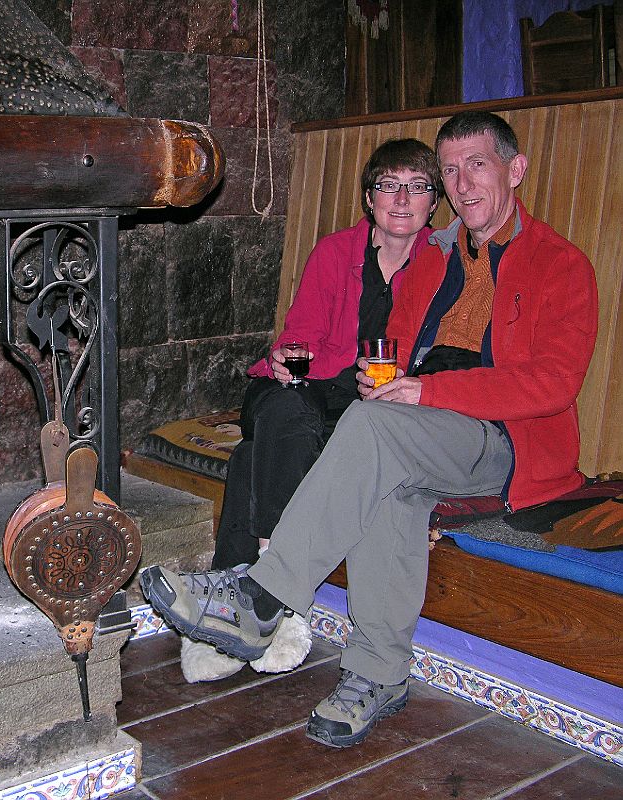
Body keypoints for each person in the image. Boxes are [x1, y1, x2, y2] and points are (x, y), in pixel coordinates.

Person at [141, 111, 598, 747]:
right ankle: (378, 673)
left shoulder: (560, 265)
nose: (462, 184)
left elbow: (553, 384)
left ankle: (258, 598)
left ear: (514, 171)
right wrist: (392, 384)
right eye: (452, 170)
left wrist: (424, 390)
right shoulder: (434, 262)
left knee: (376, 431)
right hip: (425, 425)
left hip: (507, 439)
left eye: (478, 166)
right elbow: (396, 351)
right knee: (383, 472)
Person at [181, 138, 443, 683]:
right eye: (388, 186)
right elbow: (300, 334)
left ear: (432, 203)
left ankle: (230, 610)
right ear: (369, 198)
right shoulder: (334, 252)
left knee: (254, 456)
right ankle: (281, 595)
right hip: (300, 390)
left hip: (366, 408)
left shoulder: (441, 267)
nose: (401, 198)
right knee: (285, 416)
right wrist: (284, 359)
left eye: (417, 187)